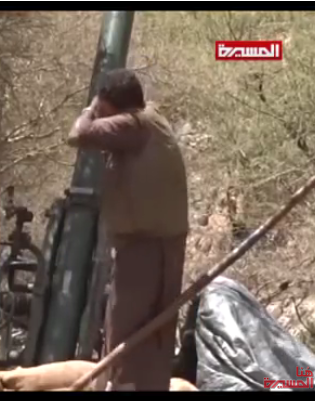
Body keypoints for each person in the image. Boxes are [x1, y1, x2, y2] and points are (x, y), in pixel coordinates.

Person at [66, 68, 189, 391]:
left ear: (110, 104)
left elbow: (77, 135)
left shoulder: (132, 124)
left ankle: (124, 388)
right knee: (152, 333)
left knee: (125, 331)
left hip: (143, 248)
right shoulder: (153, 121)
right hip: (164, 246)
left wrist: (91, 108)